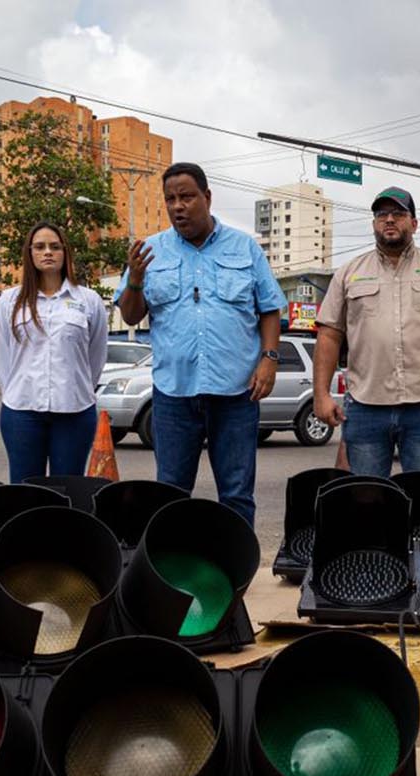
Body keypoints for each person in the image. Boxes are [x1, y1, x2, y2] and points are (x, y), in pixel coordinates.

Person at [117, 162, 285, 526]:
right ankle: (172, 573)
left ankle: (235, 571)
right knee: (171, 492)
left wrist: (269, 359)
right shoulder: (149, 252)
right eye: (170, 199)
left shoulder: (244, 248)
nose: (178, 206)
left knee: (237, 492)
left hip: (237, 395)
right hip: (173, 396)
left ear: (207, 197)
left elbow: (269, 309)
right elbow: (131, 316)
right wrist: (134, 280)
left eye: (187, 197)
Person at [312, 187, 420, 478]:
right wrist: (321, 394)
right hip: (366, 407)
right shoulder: (349, 272)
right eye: (382, 214)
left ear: (413, 223)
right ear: (374, 223)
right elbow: (329, 336)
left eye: (398, 214)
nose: (389, 220)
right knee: (366, 501)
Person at [0, 223, 109, 484]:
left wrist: (79, 389)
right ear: (29, 253)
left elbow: (96, 355)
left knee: (67, 490)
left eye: (55, 247)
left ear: (65, 253)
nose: (48, 252)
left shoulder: (88, 301)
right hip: (21, 412)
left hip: (75, 412)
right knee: (24, 492)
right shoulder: (10, 301)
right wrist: (13, 392)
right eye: (40, 247)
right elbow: (1, 355)